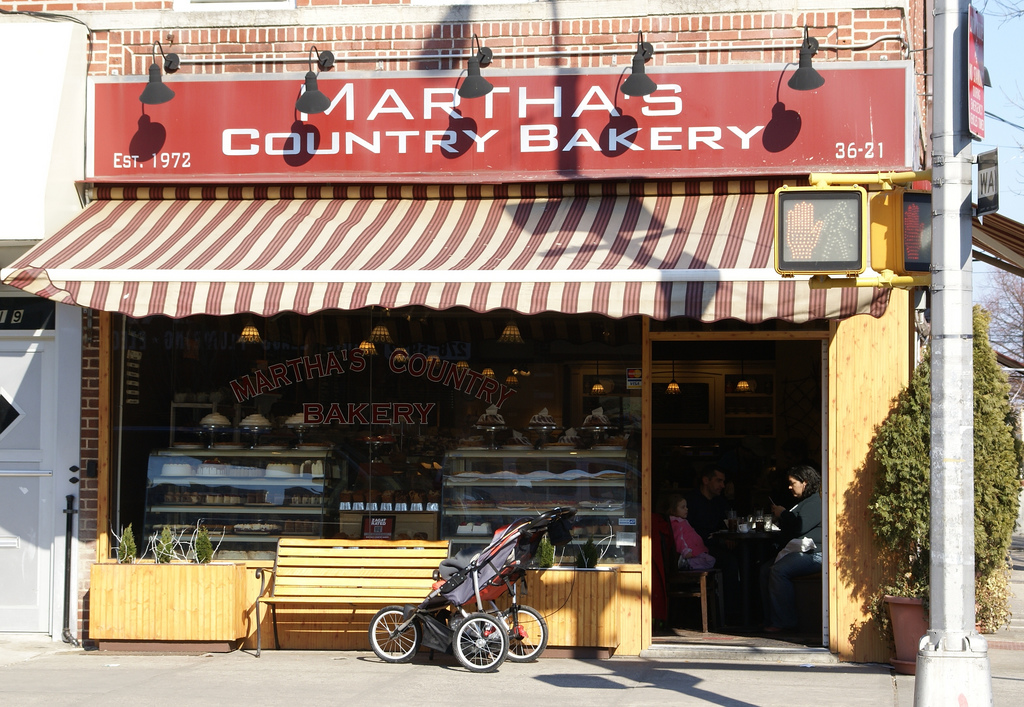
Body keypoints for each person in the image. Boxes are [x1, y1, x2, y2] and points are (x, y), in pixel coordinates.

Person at [760, 465, 823, 632]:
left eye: (792, 483)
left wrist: (783, 514)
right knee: (765, 570)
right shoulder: (804, 502)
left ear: (805, 482)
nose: (789, 487)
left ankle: (784, 622)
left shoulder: (815, 502)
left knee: (779, 570)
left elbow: (799, 527)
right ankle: (770, 619)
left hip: (816, 553)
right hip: (801, 551)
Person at [668, 495, 715, 570]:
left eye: (686, 507)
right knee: (710, 560)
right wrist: (685, 552)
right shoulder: (677, 523)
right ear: (673, 510)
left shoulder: (683, 522)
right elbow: (678, 539)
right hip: (691, 551)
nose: (686, 509)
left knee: (710, 560)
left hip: (695, 550)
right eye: (683, 507)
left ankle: (688, 564)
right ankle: (687, 564)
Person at [685, 466, 730, 543]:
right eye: (719, 481)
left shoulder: (720, 502)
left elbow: (727, 524)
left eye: (723, 482)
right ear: (706, 480)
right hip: (697, 548)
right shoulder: (689, 501)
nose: (723, 485)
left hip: (718, 546)